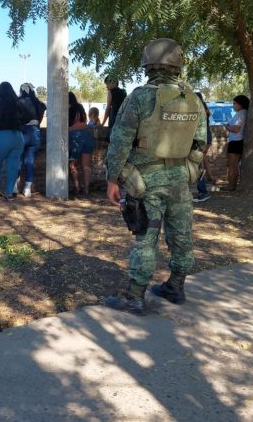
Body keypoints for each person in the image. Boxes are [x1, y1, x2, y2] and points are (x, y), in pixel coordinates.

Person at [103, 38, 206, 313]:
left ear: (148, 64)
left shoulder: (140, 96)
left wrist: (113, 179)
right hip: (180, 179)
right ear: (177, 65)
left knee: (146, 239)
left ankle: (135, 296)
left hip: (145, 182)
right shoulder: (192, 98)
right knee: (182, 234)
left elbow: (120, 141)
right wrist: (188, 173)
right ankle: (176, 286)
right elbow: (200, 144)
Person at [0, 82, 26, 200]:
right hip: (18, 137)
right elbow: (28, 116)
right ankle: (9, 194)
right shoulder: (18, 103)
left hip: (3, 135)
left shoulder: (1, 104)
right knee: (13, 166)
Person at [16, 83, 47, 197]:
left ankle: (14, 186)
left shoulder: (17, 102)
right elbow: (40, 119)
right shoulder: (39, 104)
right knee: (30, 162)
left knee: (18, 160)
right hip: (35, 133)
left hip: (22, 132)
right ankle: (27, 188)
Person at [68, 92, 94, 195]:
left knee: (72, 163)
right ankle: (86, 189)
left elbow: (69, 125)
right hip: (87, 135)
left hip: (75, 136)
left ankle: (77, 187)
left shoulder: (69, 109)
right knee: (86, 166)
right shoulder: (80, 108)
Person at [224, 95, 249, 191]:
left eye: (234, 103)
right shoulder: (245, 113)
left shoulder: (240, 114)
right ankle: (233, 184)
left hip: (235, 141)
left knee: (232, 165)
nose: (233, 106)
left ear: (240, 104)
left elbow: (236, 129)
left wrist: (227, 127)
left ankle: (231, 185)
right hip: (240, 141)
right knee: (235, 166)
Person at [194, 92, 213, 202]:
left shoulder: (199, 109)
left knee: (199, 165)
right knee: (201, 163)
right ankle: (205, 188)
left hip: (202, 140)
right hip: (206, 138)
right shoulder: (204, 109)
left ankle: (203, 192)